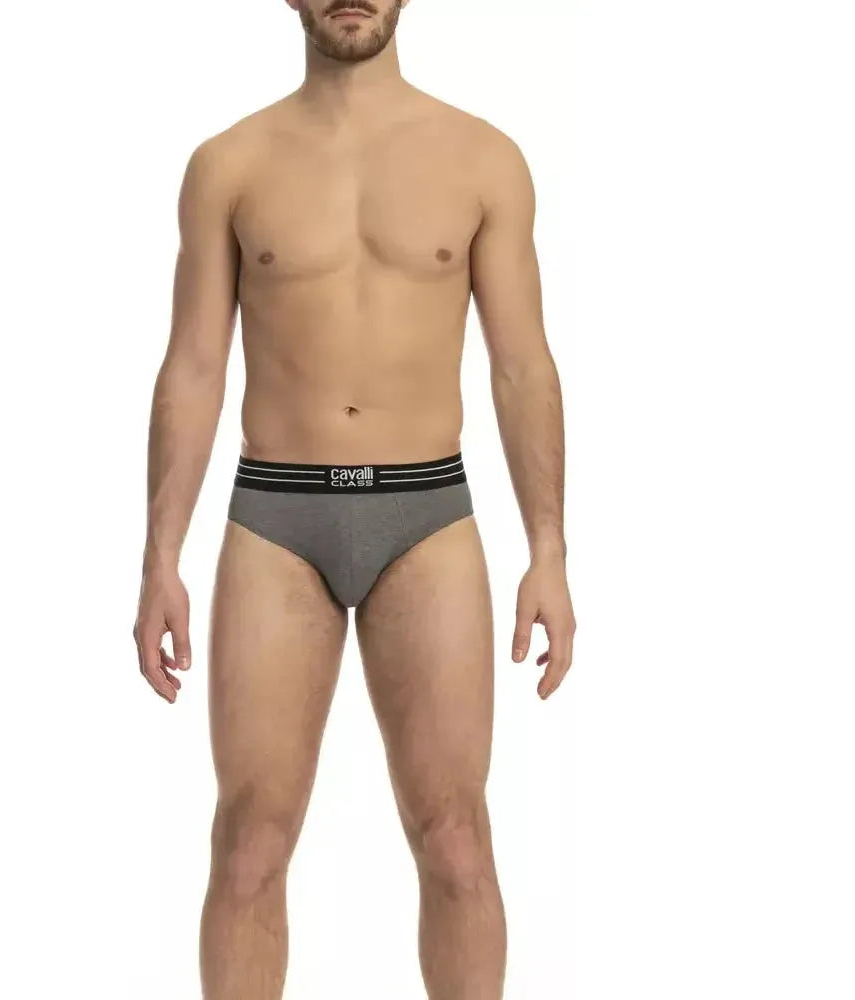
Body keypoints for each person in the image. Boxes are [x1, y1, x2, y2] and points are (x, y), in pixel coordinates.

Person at [132, 1, 576, 996]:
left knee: (456, 838)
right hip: (274, 519)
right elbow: (194, 367)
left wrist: (548, 551)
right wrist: (160, 558)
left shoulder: (482, 159)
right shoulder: (229, 164)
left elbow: (521, 367)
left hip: (427, 517)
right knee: (249, 842)